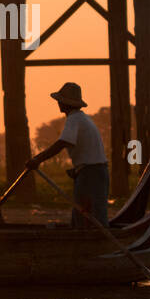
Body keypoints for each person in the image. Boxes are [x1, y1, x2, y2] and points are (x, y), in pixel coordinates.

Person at [26, 82, 110, 229]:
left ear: (65, 103)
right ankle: (88, 244)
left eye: (60, 100)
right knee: (86, 214)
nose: (58, 103)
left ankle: (92, 247)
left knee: (87, 216)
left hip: (91, 173)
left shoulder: (74, 119)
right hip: (93, 171)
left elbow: (62, 142)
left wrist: (37, 159)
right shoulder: (82, 118)